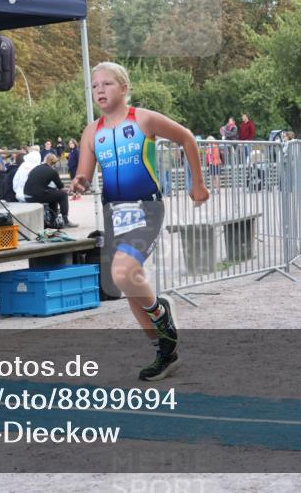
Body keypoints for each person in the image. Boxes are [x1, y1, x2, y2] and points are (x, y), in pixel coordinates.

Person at [71, 62, 209, 382]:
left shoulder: (143, 119)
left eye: (107, 84)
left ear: (124, 88)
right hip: (114, 213)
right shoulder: (92, 132)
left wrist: (197, 183)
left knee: (122, 272)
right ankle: (165, 351)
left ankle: (162, 315)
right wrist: (78, 182)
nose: (100, 90)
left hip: (146, 209)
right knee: (128, 285)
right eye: (95, 86)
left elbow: (187, 138)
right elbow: (84, 173)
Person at [24, 153, 77, 229]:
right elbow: (61, 187)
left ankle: (53, 220)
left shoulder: (37, 167)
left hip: (27, 195)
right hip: (36, 196)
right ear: (54, 163)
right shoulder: (52, 171)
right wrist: (70, 190)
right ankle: (65, 221)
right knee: (63, 194)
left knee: (53, 193)